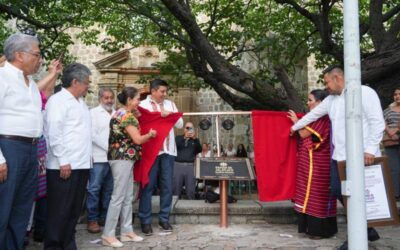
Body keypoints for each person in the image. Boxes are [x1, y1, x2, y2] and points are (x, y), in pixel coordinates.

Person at [290, 65, 385, 249]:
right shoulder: (332, 100)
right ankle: (367, 228)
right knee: (337, 190)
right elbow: (313, 115)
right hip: (339, 157)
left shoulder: (364, 92)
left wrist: (371, 150)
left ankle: (359, 235)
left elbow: (377, 122)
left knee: (358, 195)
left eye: (327, 82)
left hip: (363, 156)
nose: (326, 86)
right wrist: (293, 128)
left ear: (338, 78)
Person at [0, 33, 43, 250]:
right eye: (36, 54)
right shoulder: (1, 77)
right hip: (9, 149)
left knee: (21, 210)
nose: (40, 59)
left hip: (31, 149)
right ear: (19, 55)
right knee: (3, 209)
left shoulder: (32, 84)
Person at [44, 63, 92, 249]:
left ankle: (68, 244)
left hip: (81, 164)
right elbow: (54, 133)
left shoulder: (81, 102)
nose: (88, 86)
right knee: (59, 211)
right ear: (75, 81)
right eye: (86, 82)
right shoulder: (58, 101)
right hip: (63, 166)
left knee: (73, 211)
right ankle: (54, 246)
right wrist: (63, 161)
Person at [102, 87, 156, 247]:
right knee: (118, 196)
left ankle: (126, 231)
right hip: (122, 158)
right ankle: (108, 234)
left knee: (126, 196)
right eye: (137, 99)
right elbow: (138, 140)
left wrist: (137, 114)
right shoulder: (126, 116)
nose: (139, 101)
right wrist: (150, 135)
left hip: (123, 158)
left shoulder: (121, 113)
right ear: (129, 100)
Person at [288, 89, 337, 239]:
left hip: (317, 163)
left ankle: (318, 230)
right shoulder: (313, 117)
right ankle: (311, 229)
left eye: (310, 100)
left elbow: (303, 134)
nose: (308, 103)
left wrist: (296, 122)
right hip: (309, 162)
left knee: (316, 193)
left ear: (320, 102)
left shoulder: (322, 118)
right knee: (308, 194)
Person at [138, 78, 183, 236]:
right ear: (153, 91)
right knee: (147, 186)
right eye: (162, 91)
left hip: (168, 151)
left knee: (167, 186)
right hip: (151, 152)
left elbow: (180, 124)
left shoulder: (170, 104)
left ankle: (164, 218)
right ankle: (145, 220)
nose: (165, 94)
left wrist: (171, 115)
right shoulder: (142, 105)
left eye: (165, 91)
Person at [86, 88, 116, 233]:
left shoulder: (117, 114)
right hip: (98, 158)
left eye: (111, 97)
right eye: (106, 98)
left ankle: (105, 218)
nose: (109, 100)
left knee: (109, 190)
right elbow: (92, 135)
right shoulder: (93, 113)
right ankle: (92, 219)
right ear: (100, 99)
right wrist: (109, 148)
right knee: (94, 189)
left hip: (114, 159)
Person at [174, 122, 202, 199]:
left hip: (190, 167)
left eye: (191, 128)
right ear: (184, 129)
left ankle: (191, 207)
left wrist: (195, 139)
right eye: (187, 128)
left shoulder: (195, 140)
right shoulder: (178, 138)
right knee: (176, 188)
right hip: (178, 166)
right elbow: (175, 146)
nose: (188, 130)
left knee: (190, 189)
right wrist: (184, 138)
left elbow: (199, 149)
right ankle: (174, 208)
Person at [382, 87, 400, 200]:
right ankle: (395, 195)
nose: (397, 96)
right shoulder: (388, 110)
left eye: (399, 94)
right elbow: (381, 121)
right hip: (390, 142)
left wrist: (397, 130)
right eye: (395, 94)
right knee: (394, 169)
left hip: (395, 135)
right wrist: (390, 132)